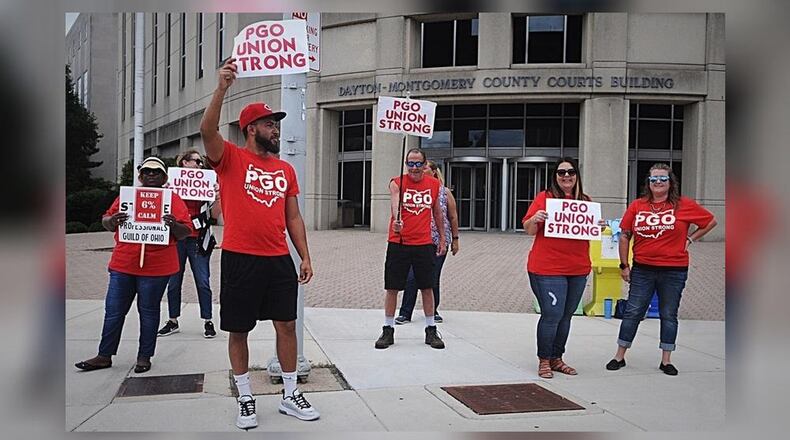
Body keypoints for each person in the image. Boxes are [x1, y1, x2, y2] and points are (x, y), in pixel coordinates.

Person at [200, 58, 318, 429]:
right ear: (251, 129)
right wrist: (221, 88)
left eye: (277, 124)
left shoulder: (285, 169)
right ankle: (246, 397)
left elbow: (293, 217)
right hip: (240, 257)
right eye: (270, 124)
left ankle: (289, 394)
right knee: (240, 329)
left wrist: (305, 256)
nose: (276, 130)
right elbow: (207, 131)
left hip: (277, 259)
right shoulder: (230, 158)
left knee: (287, 325)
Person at [75, 157, 192, 374]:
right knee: (114, 311)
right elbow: (107, 220)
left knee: (148, 312)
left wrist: (173, 224)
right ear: (140, 176)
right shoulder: (128, 197)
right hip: (124, 264)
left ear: (164, 177)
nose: (151, 175)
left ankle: (144, 356)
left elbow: (186, 232)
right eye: (146, 172)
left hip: (157, 267)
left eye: (156, 172)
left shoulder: (173, 200)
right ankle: (104, 355)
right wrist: (112, 221)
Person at [606, 163, 717, 376]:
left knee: (668, 313)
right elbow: (624, 235)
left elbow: (710, 221)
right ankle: (619, 356)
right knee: (633, 311)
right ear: (648, 183)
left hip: (674, 270)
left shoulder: (683, 205)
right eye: (653, 179)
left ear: (670, 182)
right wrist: (624, 265)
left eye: (662, 179)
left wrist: (691, 239)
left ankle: (666, 360)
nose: (658, 182)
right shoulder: (637, 206)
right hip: (643, 269)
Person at [522, 157, 593, 379]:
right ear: (555, 176)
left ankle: (556, 358)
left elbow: (589, 232)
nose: (566, 176)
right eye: (561, 173)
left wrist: (597, 225)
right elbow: (529, 229)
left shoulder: (585, 202)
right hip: (547, 268)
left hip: (578, 269)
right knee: (552, 314)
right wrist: (535, 218)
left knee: (566, 316)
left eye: (570, 172)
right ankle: (544, 359)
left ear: (577, 175)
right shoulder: (545, 198)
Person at [376, 148, 447, 350]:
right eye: (410, 164)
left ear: (425, 165)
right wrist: (397, 221)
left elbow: (438, 213)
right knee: (392, 287)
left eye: (418, 164)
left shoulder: (434, 185)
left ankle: (431, 329)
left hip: (424, 243)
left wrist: (442, 238)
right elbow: (395, 202)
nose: (414, 168)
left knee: (427, 286)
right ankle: (388, 329)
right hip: (399, 243)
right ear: (406, 164)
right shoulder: (396, 182)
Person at [158, 149, 220, 339]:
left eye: (201, 163)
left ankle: (208, 320)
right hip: (177, 238)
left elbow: (215, 216)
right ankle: (173, 320)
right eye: (196, 161)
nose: (200, 165)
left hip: (199, 239)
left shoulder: (207, 185)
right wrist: (165, 192)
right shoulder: (172, 186)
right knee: (174, 282)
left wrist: (217, 197)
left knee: (203, 281)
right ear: (184, 163)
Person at [395, 160, 459, 324]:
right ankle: (405, 312)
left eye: (425, 168)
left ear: (434, 172)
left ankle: (433, 311)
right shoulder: (414, 190)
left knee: (432, 277)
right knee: (411, 277)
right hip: (417, 240)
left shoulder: (444, 192)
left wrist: (455, 240)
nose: (421, 171)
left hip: (437, 241)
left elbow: (452, 217)